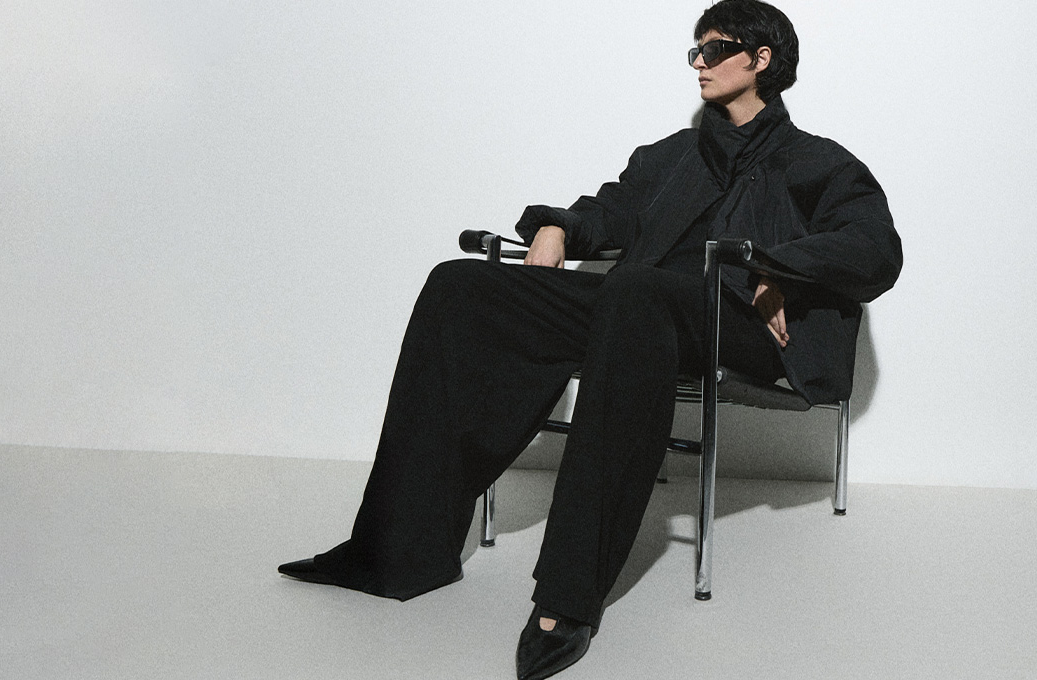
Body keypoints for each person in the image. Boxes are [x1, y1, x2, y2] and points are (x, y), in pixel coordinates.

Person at [278, 1, 901, 678]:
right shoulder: (670, 156)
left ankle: (568, 597)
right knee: (461, 285)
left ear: (761, 60)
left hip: (740, 327)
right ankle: (396, 551)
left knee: (634, 290)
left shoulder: (818, 162)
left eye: (716, 49)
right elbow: (611, 211)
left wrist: (777, 269)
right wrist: (560, 227)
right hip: (639, 315)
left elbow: (875, 248)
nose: (699, 63)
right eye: (694, 50)